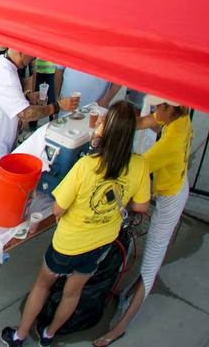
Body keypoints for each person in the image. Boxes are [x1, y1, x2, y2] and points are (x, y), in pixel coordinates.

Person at [1, 102, 151, 347]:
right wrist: (123, 201)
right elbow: (143, 206)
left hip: (68, 242)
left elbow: (58, 207)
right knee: (73, 292)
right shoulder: (140, 165)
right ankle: (48, 335)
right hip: (101, 242)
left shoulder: (86, 166)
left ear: (107, 130)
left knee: (42, 285)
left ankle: (19, 336)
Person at [94, 96, 194, 347]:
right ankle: (129, 292)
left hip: (171, 199)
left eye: (159, 106)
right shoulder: (180, 118)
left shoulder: (168, 144)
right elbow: (146, 121)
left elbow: (134, 169)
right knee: (149, 256)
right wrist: (115, 124)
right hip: (174, 185)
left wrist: (106, 141)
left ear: (169, 107)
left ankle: (119, 327)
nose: (155, 111)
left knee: (151, 262)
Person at [0, 49, 78, 175]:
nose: (33, 59)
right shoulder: (4, 73)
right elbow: (27, 113)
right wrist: (57, 106)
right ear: (21, 51)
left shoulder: (6, 66)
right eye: (32, 56)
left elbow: (5, 99)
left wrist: (26, 97)